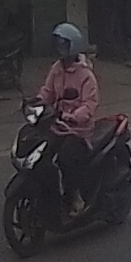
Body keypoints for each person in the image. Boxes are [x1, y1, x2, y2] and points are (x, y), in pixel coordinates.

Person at [34, 23, 99, 218]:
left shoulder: (86, 75)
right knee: (40, 154)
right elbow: (48, 91)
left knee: (66, 159)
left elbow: (89, 105)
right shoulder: (57, 68)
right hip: (56, 125)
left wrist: (72, 116)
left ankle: (75, 197)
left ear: (74, 46)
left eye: (64, 44)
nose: (60, 48)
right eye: (58, 44)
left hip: (77, 131)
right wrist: (37, 101)